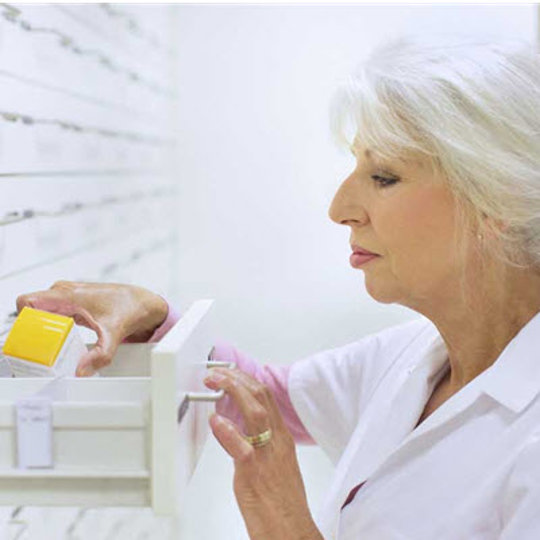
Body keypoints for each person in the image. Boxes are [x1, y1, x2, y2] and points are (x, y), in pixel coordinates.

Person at [16, 36, 540, 539]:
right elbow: (267, 399)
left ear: (492, 199)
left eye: (383, 177)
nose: (340, 210)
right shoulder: (417, 356)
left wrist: (285, 526)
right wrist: (155, 319)